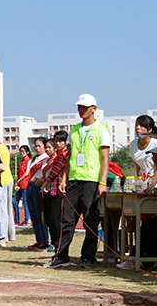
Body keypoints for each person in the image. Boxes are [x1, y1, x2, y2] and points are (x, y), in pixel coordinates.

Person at [47, 94, 110, 269]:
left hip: (91, 180)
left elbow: (105, 159)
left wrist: (102, 183)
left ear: (94, 109)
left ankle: (88, 257)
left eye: (84, 107)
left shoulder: (102, 129)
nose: (81, 110)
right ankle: (61, 256)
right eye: (79, 107)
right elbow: (69, 158)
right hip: (73, 180)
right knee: (66, 220)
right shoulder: (74, 130)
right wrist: (64, 179)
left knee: (90, 221)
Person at [17, 138, 49, 250]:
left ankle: (45, 241)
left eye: (40, 146)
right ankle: (39, 240)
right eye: (36, 146)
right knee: (34, 216)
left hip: (39, 186)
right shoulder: (34, 159)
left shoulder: (46, 158)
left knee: (40, 216)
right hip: (30, 186)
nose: (37, 148)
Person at [40, 134, 68, 253]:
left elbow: (55, 172)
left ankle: (58, 244)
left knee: (55, 219)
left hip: (57, 190)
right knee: (50, 219)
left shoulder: (63, 155)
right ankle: (54, 243)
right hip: (51, 190)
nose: (58, 143)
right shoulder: (59, 156)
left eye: (61, 141)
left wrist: (45, 184)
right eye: (56, 141)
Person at [128, 115, 157, 187]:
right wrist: (139, 184)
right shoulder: (133, 144)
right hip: (143, 185)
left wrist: (151, 187)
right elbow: (138, 165)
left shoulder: (156, 144)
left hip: (156, 186)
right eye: (136, 125)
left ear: (150, 130)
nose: (137, 128)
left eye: (142, 125)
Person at [13, 145, 31, 225]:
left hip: (25, 184)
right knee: (14, 202)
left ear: (27, 152)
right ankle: (17, 220)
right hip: (20, 185)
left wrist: (19, 181)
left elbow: (26, 173)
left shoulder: (29, 161)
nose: (21, 153)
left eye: (23, 151)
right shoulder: (21, 162)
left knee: (25, 203)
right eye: (21, 151)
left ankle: (27, 220)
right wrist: (17, 183)